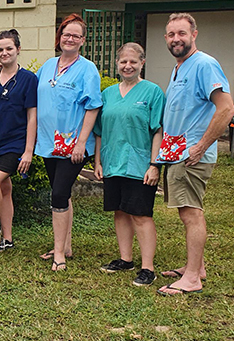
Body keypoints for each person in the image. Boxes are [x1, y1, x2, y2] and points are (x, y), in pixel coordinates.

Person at [155, 13, 234, 296]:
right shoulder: (180, 67)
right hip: (177, 154)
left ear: (194, 35)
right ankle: (195, 267)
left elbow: (227, 108)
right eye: (171, 34)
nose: (176, 39)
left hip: (191, 155)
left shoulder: (204, 64)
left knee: (192, 214)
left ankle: (191, 279)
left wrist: (201, 146)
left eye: (182, 33)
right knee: (187, 212)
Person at [93, 42, 165, 287]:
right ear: (117, 63)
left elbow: (157, 130)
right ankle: (126, 259)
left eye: (133, 61)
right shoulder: (108, 94)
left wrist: (154, 165)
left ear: (142, 63)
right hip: (113, 161)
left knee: (141, 214)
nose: (128, 66)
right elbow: (99, 131)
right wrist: (98, 161)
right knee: (120, 211)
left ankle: (148, 268)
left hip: (139, 164)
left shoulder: (152, 92)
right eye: (123, 61)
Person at [35, 14, 102, 271]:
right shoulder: (48, 65)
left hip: (73, 145)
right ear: (59, 37)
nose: (70, 39)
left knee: (59, 195)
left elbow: (93, 106)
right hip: (49, 143)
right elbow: (31, 86)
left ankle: (59, 253)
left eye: (75, 35)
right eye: (66, 34)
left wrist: (81, 143)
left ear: (82, 40)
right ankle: (66, 245)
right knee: (61, 191)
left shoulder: (87, 69)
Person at [0, 30, 37, 254]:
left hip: (15, 143)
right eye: (0, 49)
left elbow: (32, 116)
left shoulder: (28, 79)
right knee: (4, 188)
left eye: (9, 48)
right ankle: (8, 238)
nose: (4, 53)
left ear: (18, 49)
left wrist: (28, 151)